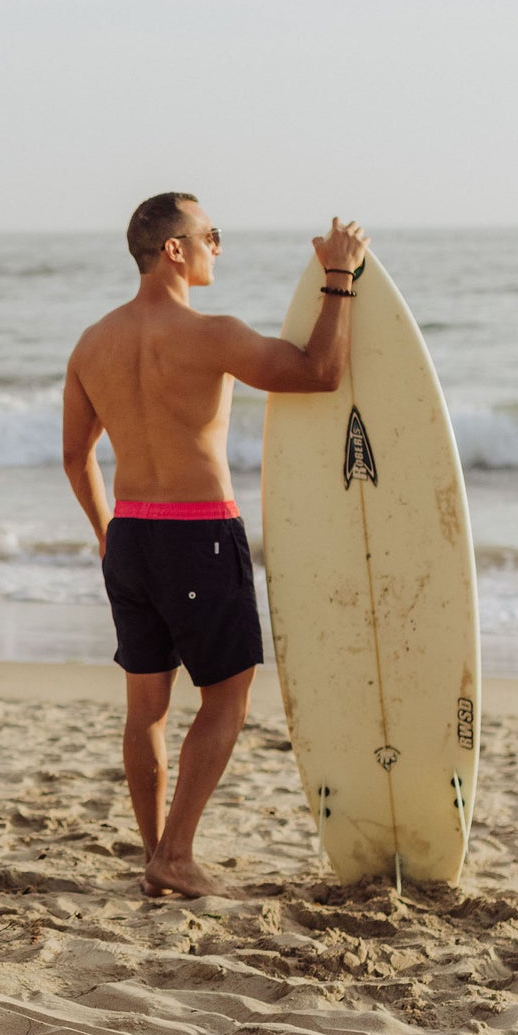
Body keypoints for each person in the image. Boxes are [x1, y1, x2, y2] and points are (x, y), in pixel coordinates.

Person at [63, 194, 369, 899]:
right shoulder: (213, 335)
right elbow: (319, 373)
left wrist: (107, 532)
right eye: (210, 235)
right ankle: (174, 855)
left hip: (132, 536)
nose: (216, 248)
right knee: (224, 702)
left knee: (146, 709)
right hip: (197, 534)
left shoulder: (91, 343)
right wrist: (338, 276)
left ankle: (157, 855)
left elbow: (75, 455)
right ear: (175, 249)